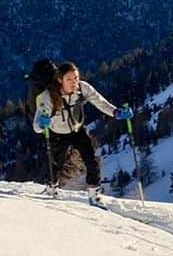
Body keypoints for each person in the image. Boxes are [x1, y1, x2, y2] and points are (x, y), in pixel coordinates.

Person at [33, 61, 131, 206]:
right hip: (58, 133)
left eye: (76, 78)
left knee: (91, 160)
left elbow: (100, 102)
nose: (74, 83)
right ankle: (51, 186)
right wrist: (42, 123)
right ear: (60, 80)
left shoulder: (82, 88)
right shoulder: (48, 97)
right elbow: (36, 126)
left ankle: (94, 194)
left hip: (77, 130)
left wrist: (116, 112)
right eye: (69, 79)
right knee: (55, 163)